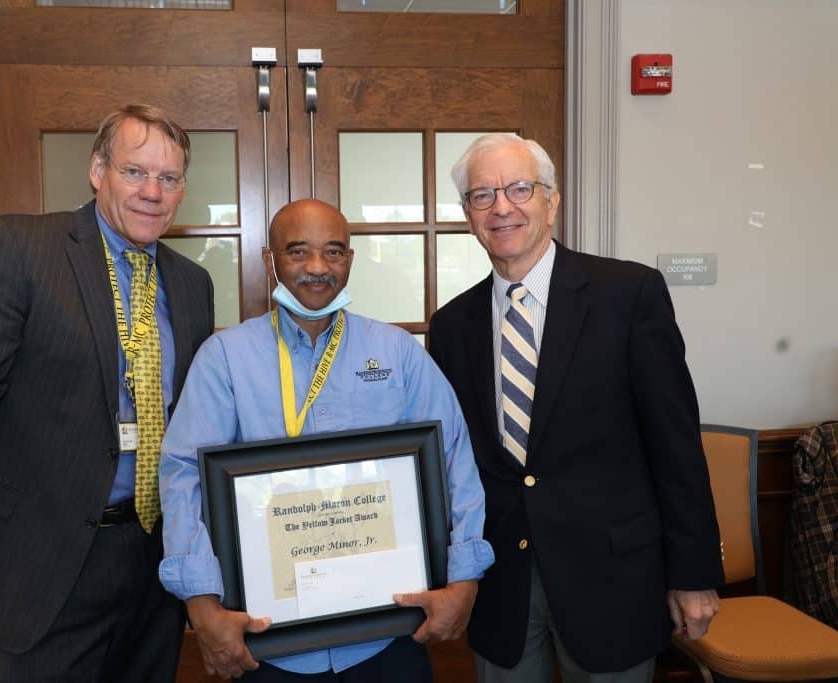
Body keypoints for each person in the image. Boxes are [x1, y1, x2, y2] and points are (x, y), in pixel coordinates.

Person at [0, 104, 214, 682]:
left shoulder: (192, 285)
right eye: (135, 172)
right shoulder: (22, 248)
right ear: (98, 170)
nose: (153, 192)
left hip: (151, 568)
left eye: (169, 178)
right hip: (40, 571)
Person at [428, 133, 724, 683]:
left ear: (552, 200)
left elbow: (675, 444)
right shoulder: (451, 325)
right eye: (482, 195)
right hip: (502, 586)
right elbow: (451, 461)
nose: (502, 208)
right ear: (467, 214)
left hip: (613, 582)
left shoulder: (629, 294)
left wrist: (694, 573)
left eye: (519, 188)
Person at [158, 198, 494, 681]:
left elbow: (452, 460)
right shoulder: (225, 359)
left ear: (350, 260)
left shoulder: (396, 352)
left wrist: (464, 578)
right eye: (298, 252)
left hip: (384, 639)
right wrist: (201, 601)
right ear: (270, 260)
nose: (317, 268)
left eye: (333, 252)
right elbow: (184, 475)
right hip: (269, 644)